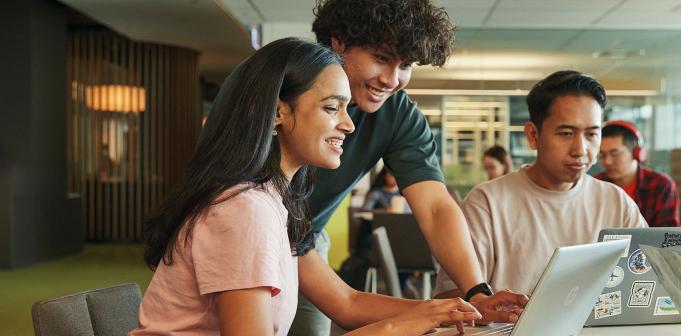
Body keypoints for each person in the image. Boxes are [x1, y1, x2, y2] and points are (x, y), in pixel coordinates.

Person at [132, 38, 498, 336]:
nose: (349, 125)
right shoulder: (244, 210)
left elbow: (348, 303)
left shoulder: (276, 202)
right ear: (279, 113)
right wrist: (397, 328)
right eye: (331, 108)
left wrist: (446, 310)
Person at [293, 1, 528, 334]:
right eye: (381, 58)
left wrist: (475, 291)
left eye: (406, 64)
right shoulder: (279, 92)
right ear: (339, 42)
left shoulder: (398, 116)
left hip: (305, 241)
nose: (392, 80)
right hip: (251, 233)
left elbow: (435, 207)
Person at [434, 70, 648, 298]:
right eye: (566, 133)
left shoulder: (616, 202)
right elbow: (450, 298)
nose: (580, 150)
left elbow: (647, 281)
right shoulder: (487, 203)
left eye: (591, 135)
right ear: (533, 136)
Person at [595, 120, 680, 227]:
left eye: (614, 154)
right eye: (602, 155)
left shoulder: (661, 185)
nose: (607, 161)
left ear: (637, 153)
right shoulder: (597, 184)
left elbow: (668, 236)